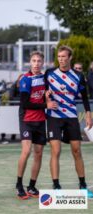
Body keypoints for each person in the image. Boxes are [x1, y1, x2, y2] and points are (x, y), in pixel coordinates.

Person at [45, 45, 93, 197]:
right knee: (56, 151)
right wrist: (46, 97)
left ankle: (83, 185)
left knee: (77, 151)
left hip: (71, 116)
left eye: (64, 57)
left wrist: (88, 114)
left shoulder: (78, 76)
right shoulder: (50, 73)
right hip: (54, 116)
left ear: (70, 57)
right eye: (59, 57)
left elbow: (85, 97)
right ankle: (56, 185)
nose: (61, 59)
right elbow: (43, 93)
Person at [15, 51, 58, 200]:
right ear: (29, 63)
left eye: (39, 61)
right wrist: (46, 104)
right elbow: (25, 103)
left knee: (38, 154)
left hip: (40, 120)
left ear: (43, 63)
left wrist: (48, 96)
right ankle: (19, 185)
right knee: (26, 151)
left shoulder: (45, 78)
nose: (36, 63)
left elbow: (47, 95)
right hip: (27, 119)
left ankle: (32, 186)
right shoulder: (25, 79)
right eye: (33, 60)